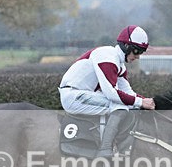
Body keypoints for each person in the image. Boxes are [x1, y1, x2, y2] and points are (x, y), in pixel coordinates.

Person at [59, 25, 156, 157]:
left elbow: (129, 93)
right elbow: (112, 93)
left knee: (128, 105)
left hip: (84, 94)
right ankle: (105, 149)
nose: (138, 57)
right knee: (119, 106)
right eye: (137, 51)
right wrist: (140, 102)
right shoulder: (108, 57)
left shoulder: (119, 64)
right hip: (73, 96)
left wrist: (147, 102)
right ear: (126, 46)